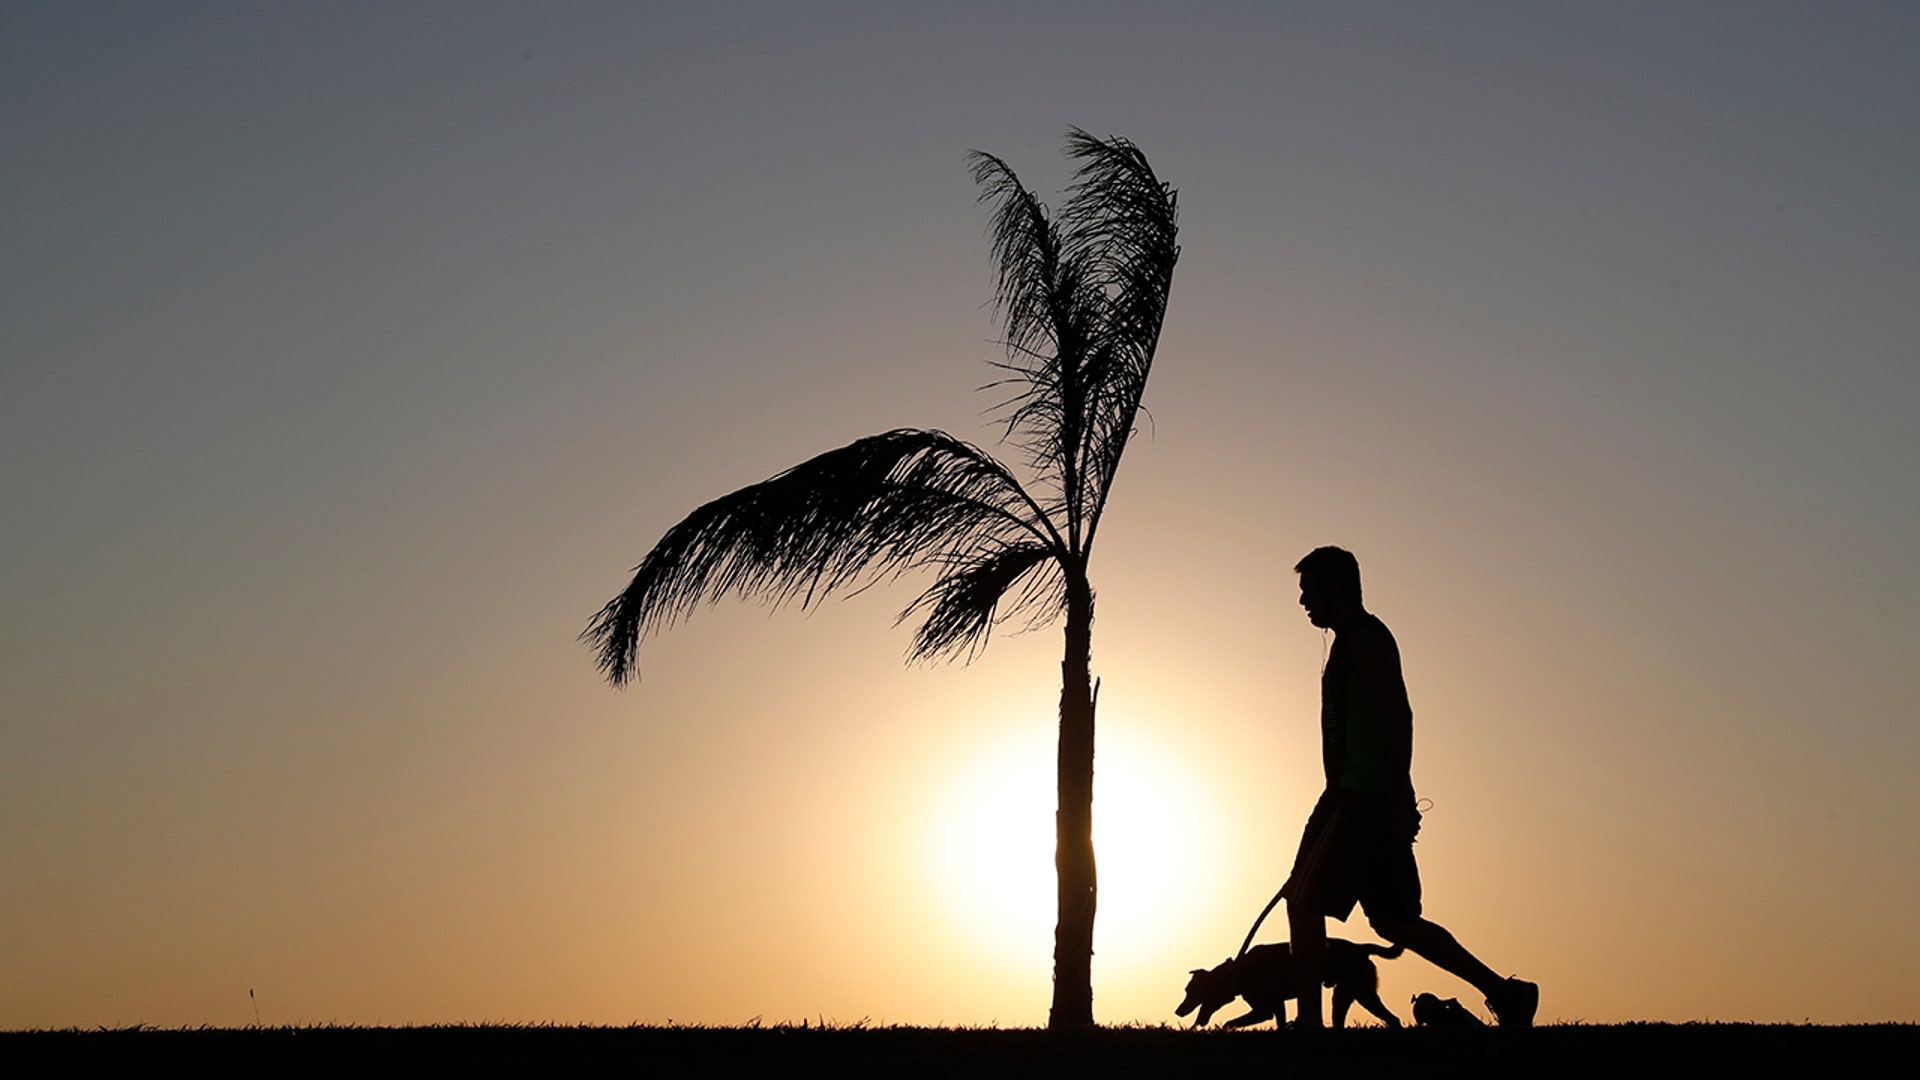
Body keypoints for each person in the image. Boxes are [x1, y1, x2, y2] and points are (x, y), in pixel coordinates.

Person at [1281, 546, 1537, 1028]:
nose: (1303, 602)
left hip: (1356, 801)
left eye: (1308, 591)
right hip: (1368, 799)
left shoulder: (1365, 640)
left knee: (1302, 900)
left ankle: (1310, 1027)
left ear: (1336, 587)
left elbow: (1397, 717)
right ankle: (1505, 993)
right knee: (1395, 923)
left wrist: (1399, 795)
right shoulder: (1351, 641)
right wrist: (1398, 795)